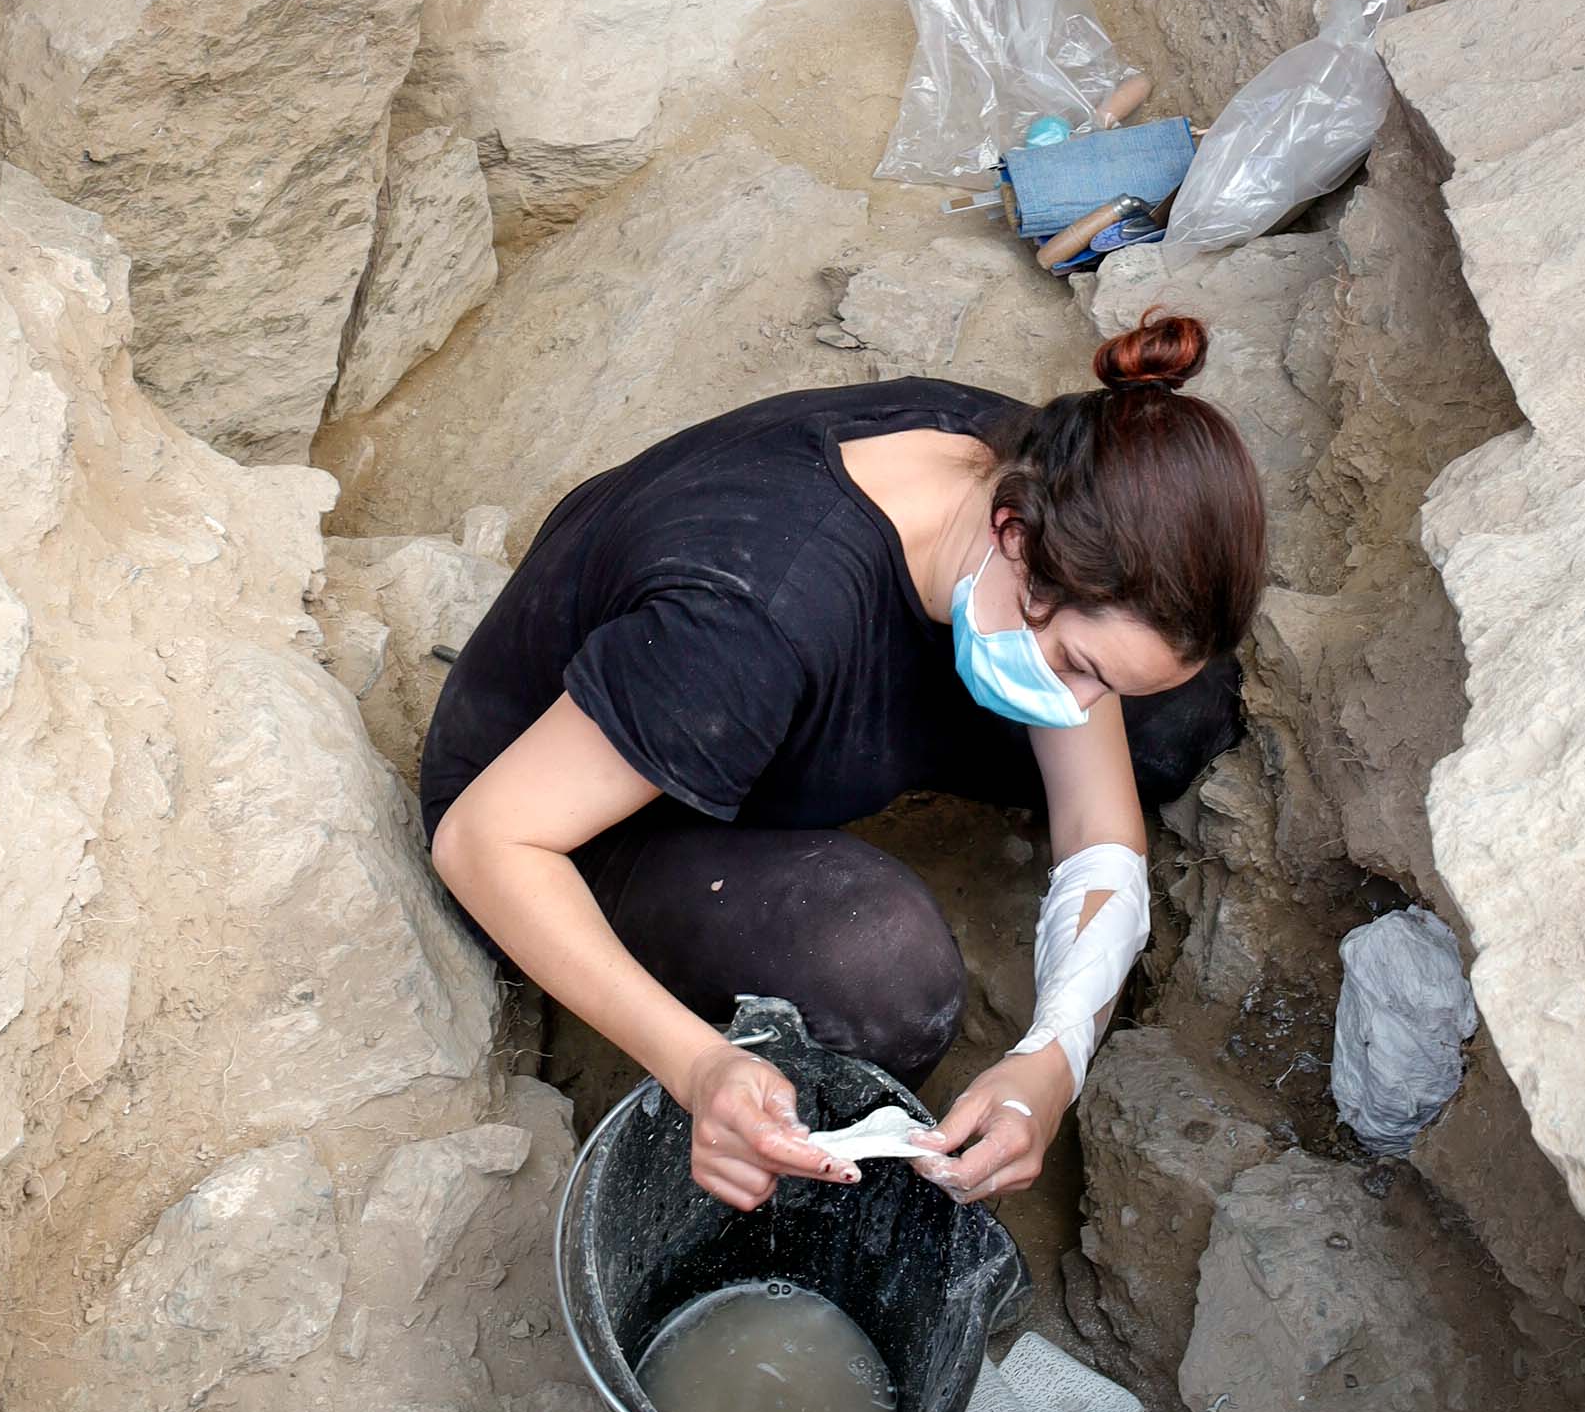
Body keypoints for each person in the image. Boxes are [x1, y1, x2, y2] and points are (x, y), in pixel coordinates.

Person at [423, 315, 1263, 1214]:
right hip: (571, 803)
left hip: (735, 671)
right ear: (1016, 539)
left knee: (1180, 716)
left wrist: (1053, 1059)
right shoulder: (751, 628)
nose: (1085, 713)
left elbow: (1100, 819)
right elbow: (484, 840)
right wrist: (700, 1065)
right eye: (1080, 671)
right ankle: (749, 1164)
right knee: (882, 972)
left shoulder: (1046, 473)